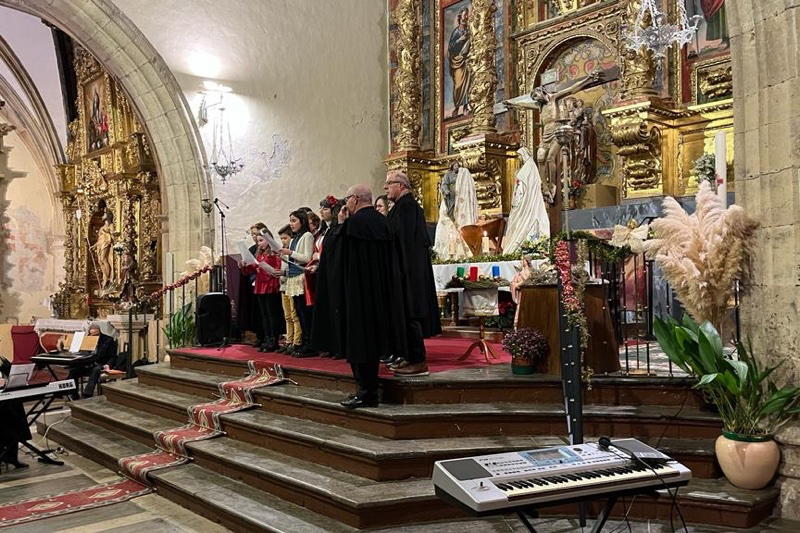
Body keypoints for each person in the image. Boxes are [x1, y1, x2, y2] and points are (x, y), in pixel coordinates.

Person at [323, 185, 407, 408]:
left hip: (358, 293)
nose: (345, 203)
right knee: (375, 340)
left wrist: (338, 225)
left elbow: (333, 254)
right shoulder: (384, 222)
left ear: (355, 199)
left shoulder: (352, 225)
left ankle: (366, 391)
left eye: (347, 199)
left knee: (360, 342)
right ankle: (369, 388)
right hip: (381, 293)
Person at [385, 171, 442, 377]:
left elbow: (405, 242)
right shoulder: (402, 207)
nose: (386, 188)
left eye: (389, 184)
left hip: (409, 271)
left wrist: (401, 273)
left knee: (411, 315)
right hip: (406, 270)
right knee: (405, 315)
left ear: (401, 185)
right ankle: (407, 356)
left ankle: (418, 360)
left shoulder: (407, 207)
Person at [239, 230, 284, 352]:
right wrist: (244, 265)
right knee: (264, 315)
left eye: (261, 240)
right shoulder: (260, 254)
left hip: (270, 286)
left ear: (268, 239)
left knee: (272, 314)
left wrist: (272, 271)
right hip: (260, 286)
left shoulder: (275, 253)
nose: (259, 244)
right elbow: (253, 268)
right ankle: (267, 338)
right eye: (258, 241)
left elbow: (279, 267)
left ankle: (274, 340)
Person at [279, 210, 315, 356]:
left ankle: (309, 343)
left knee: (305, 313)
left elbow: (307, 258)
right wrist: (282, 255)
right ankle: (303, 342)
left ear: (302, 221)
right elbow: (292, 260)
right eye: (290, 221)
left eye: (294, 220)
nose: (291, 224)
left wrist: (290, 253)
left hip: (302, 277)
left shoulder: (307, 236)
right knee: (298, 312)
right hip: (293, 277)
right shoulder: (294, 239)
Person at [503, 147, 551, 254]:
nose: (519, 159)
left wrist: (516, 203)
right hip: (528, 201)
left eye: (520, 156)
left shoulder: (526, 170)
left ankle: (523, 245)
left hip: (525, 202)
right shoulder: (530, 168)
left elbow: (521, 189)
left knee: (524, 222)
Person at [67, 323, 118, 399]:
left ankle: (87, 393)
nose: (95, 337)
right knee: (74, 370)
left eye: (97, 335)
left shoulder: (108, 340)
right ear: (89, 334)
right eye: (93, 336)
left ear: (100, 332)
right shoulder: (86, 340)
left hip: (101, 363)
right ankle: (73, 393)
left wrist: (108, 364)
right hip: (88, 363)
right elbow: (82, 353)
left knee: (96, 370)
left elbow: (113, 356)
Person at [276, 225, 303, 354]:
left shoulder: (292, 250)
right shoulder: (283, 251)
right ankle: (289, 340)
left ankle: (296, 341)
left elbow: (292, 268)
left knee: (294, 315)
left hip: (291, 284)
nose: (283, 241)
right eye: (281, 239)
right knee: (287, 316)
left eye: (285, 238)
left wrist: (283, 272)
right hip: (283, 286)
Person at [0, 357, 30, 470]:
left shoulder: (1, 359)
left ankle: (11, 456)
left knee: (16, 408)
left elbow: (11, 373)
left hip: (3, 396)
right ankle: (4, 454)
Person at [448, 7, 471, 117]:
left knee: (467, 83)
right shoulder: (456, 32)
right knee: (458, 85)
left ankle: (466, 106)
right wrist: (460, 40)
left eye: (467, 14)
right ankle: (457, 107)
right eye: (464, 14)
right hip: (457, 61)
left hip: (467, 60)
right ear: (460, 16)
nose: (466, 16)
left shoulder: (470, 30)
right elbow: (451, 47)